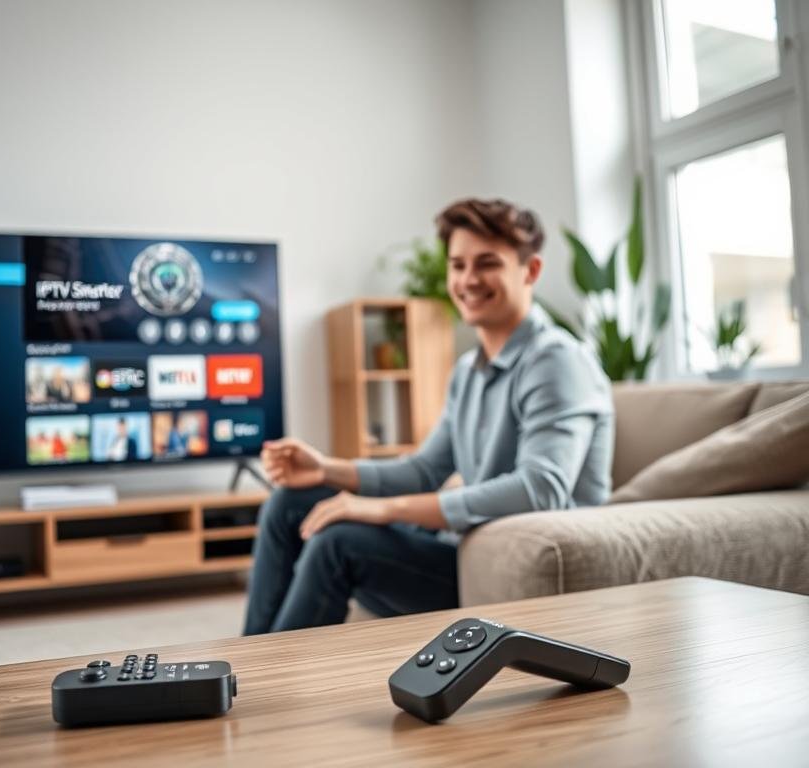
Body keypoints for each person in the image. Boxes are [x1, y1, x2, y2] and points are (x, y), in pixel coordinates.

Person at [243, 197, 614, 635]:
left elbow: (542, 488)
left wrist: (384, 509)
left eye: (487, 264)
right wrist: (326, 468)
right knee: (289, 504)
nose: (468, 280)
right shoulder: (468, 371)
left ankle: (272, 688)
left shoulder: (557, 361)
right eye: (458, 265)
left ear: (530, 270)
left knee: (338, 542)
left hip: (508, 565)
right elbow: (425, 470)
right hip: (466, 550)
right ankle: (243, 670)